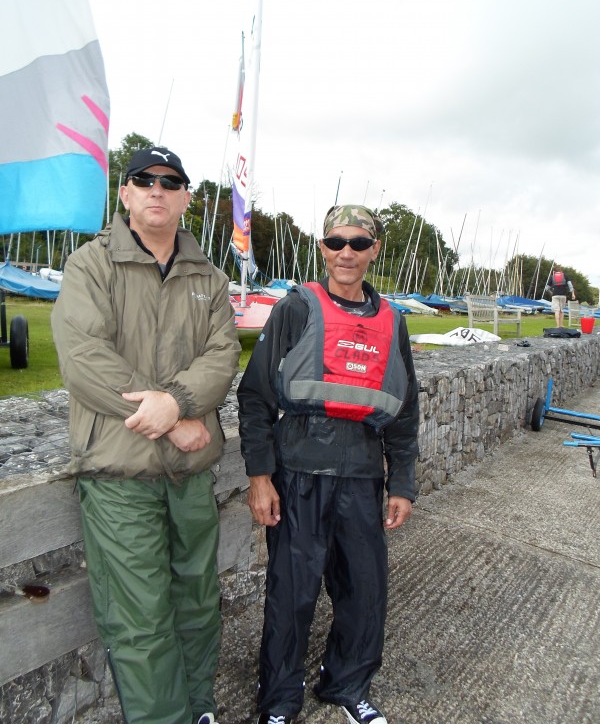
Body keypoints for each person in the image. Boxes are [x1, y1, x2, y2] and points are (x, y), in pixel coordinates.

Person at [51, 146, 241, 724]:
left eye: (170, 181)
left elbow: (222, 355)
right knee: (141, 620)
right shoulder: (91, 266)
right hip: (119, 473)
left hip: (188, 473)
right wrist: (169, 416)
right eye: (144, 180)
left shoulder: (209, 277)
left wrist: (179, 404)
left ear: (186, 197)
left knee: (198, 602)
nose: (157, 189)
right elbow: (84, 357)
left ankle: (200, 708)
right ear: (125, 193)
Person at [238, 205, 420, 724]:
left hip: (362, 476)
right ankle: (277, 701)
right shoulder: (296, 308)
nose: (347, 252)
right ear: (322, 247)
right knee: (291, 597)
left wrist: (401, 482)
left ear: (374, 250)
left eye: (359, 243)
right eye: (336, 241)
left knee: (364, 592)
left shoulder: (394, 321)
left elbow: (405, 410)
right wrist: (259, 477)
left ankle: (346, 685)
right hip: (298, 473)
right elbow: (254, 398)